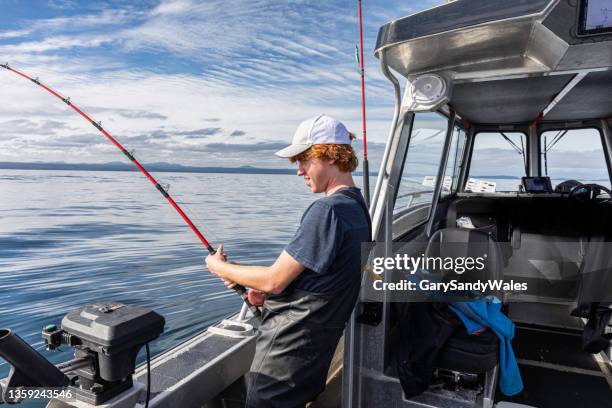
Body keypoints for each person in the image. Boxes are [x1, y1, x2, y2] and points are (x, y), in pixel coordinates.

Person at [205, 114, 371, 408]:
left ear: (330, 156)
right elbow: (317, 279)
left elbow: (274, 279)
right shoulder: (357, 208)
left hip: (287, 356)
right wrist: (262, 293)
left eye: (304, 160)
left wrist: (218, 266)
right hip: (313, 355)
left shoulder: (327, 211)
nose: (299, 171)